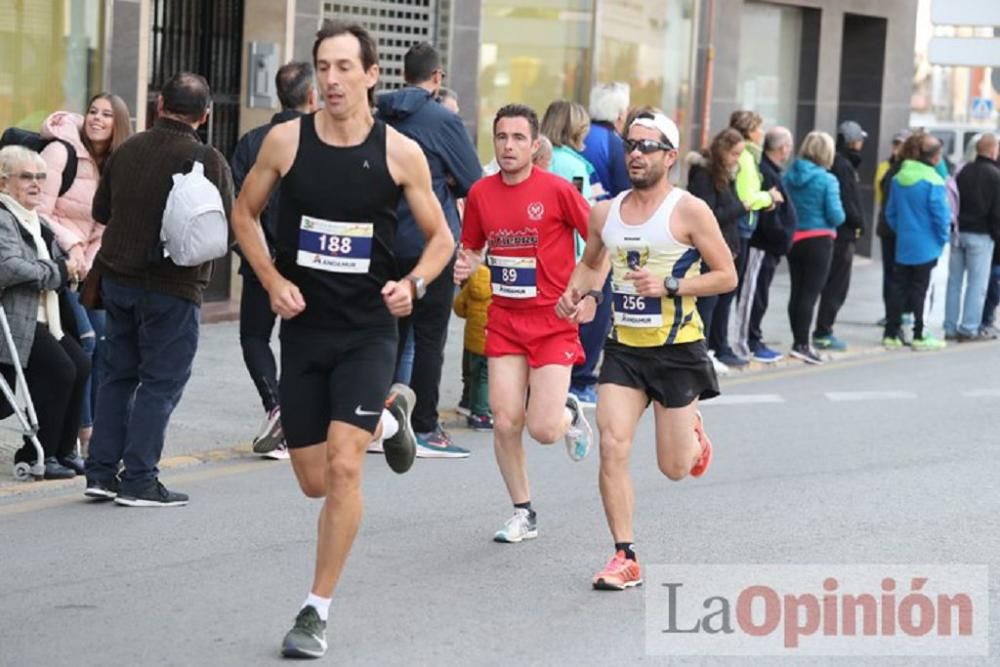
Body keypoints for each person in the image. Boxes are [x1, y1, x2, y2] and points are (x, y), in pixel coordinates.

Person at [230, 21, 454, 659]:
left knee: (343, 466)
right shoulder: (285, 142)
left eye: (343, 67)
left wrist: (413, 283)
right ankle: (390, 419)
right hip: (303, 330)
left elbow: (442, 240)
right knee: (311, 479)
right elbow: (243, 214)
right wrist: (270, 279)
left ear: (370, 74)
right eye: (322, 67)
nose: (330, 79)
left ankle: (315, 610)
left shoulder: (399, 152)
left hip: (367, 332)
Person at [557, 111, 737, 590]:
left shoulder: (689, 210)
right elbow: (592, 264)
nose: (635, 154)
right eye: (630, 146)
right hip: (625, 351)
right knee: (612, 445)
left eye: (647, 147)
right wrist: (579, 295)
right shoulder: (605, 212)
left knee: (674, 468)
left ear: (670, 157)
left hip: (678, 350)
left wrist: (671, 284)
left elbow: (727, 275)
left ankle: (693, 435)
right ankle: (624, 555)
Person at [82, 73, 234, 506]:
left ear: (159, 104)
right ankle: (140, 480)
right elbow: (227, 228)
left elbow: (102, 210)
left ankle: (101, 473)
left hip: (118, 282)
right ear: (205, 115)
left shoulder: (127, 149)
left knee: (117, 377)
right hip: (174, 288)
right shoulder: (207, 158)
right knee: (160, 383)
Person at [455, 103, 596, 545]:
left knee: (544, 430)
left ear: (535, 145)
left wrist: (587, 291)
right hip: (506, 321)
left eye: (518, 138)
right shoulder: (480, 194)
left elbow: (598, 240)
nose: (509, 146)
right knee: (504, 420)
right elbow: (474, 247)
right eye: (502, 137)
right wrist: (466, 263)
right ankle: (523, 512)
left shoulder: (556, 190)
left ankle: (567, 411)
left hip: (553, 321)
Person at [376, 41, 480, 458]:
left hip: (382, 242)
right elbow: (473, 180)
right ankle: (423, 428)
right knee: (429, 336)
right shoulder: (442, 119)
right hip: (428, 244)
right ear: (436, 77)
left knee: (387, 336)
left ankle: (377, 423)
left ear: (403, 74)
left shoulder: (377, 114)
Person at [230, 61, 319, 460]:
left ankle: (276, 406)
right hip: (309, 260)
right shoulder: (321, 140)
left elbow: (236, 205)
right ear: (312, 95)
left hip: (260, 260)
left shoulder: (252, 141)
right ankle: (296, 419)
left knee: (254, 336)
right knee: (300, 339)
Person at [38, 93, 132, 459]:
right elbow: (37, 212)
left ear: (118, 125)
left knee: (107, 342)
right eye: (93, 111)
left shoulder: (113, 165)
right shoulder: (61, 152)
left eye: (107, 115)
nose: (96, 119)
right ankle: (84, 434)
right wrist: (73, 247)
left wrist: (89, 260)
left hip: (86, 268)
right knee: (88, 342)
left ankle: (96, 432)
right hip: (53, 263)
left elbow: (104, 228)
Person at [0, 145, 89, 479]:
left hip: (41, 315)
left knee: (81, 364)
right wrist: (60, 270)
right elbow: (9, 267)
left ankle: (64, 451)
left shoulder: (36, 221)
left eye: (40, 177)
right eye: (26, 177)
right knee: (60, 369)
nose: (36, 183)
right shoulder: (3, 217)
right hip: (12, 319)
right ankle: (38, 453)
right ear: (3, 182)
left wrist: (68, 269)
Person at [571, 82, 631, 405]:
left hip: (568, 234)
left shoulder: (581, 137)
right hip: (601, 234)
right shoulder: (613, 143)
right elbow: (626, 192)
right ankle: (580, 379)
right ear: (620, 115)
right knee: (597, 304)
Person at [883, 132, 950, 350]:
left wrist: (903, 230)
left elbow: (890, 213)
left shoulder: (898, 178)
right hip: (927, 244)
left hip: (904, 242)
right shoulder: (934, 181)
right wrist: (942, 239)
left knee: (898, 287)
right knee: (923, 289)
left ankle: (891, 333)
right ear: (935, 157)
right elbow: (941, 218)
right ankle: (920, 334)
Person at [782, 131, 845, 365]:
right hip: (819, 241)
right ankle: (802, 345)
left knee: (796, 292)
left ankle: (798, 340)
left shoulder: (789, 175)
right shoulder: (828, 180)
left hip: (794, 239)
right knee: (810, 294)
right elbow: (836, 215)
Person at [728, 110, 782, 366]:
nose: (762, 133)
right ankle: (737, 343)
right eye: (759, 128)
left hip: (743, 226)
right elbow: (747, 197)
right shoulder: (747, 157)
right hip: (741, 227)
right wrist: (768, 198)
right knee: (736, 290)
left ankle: (733, 342)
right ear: (750, 130)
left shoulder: (750, 156)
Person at [686, 128, 747, 355]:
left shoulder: (726, 175)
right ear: (723, 152)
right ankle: (703, 351)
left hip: (726, 246)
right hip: (709, 249)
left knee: (720, 303)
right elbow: (710, 215)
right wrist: (743, 207)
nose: (737, 160)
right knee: (707, 304)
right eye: (734, 154)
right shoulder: (705, 175)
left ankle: (716, 348)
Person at [813, 120, 867, 352]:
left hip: (837, 233)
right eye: (860, 139)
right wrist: (858, 224)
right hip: (842, 234)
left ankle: (822, 329)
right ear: (853, 141)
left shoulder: (841, 164)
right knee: (836, 285)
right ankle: (824, 331)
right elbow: (847, 201)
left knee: (829, 284)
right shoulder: (843, 166)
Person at [944, 133, 1000, 341]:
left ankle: (949, 327)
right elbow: (996, 213)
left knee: (954, 282)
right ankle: (968, 328)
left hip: (958, 233)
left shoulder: (962, 171)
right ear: (994, 151)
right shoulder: (996, 176)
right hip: (982, 236)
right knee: (977, 284)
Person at [747, 126, 797, 362]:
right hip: (763, 245)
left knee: (761, 295)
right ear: (783, 147)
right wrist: (781, 235)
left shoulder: (772, 170)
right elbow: (769, 215)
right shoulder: (767, 172)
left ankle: (753, 337)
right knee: (754, 296)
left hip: (770, 246)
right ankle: (749, 341)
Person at [875, 130, 911, 326]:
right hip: (891, 229)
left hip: (896, 228)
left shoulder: (901, 170)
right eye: (896, 144)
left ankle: (901, 312)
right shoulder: (888, 169)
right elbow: (881, 196)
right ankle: (892, 314)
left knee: (900, 273)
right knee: (892, 273)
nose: (897, 148)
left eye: (902, 144)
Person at [452, 264, 492, 430]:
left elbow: (458, 308)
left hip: (471, 340)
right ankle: (481, 413)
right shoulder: (496, 287)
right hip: (490, 340)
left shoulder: (471, 284)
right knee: (485, 377)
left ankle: (468, 403)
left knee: (473, 375)